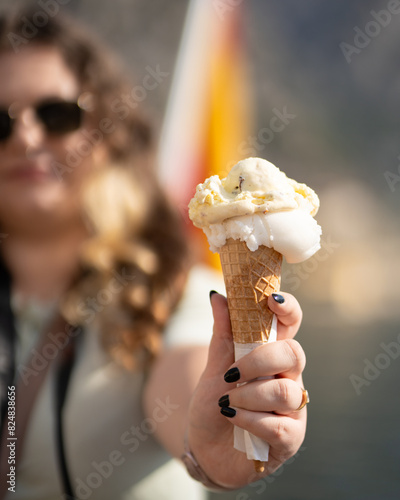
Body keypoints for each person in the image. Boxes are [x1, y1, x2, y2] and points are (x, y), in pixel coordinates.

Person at [0, 5, 308, 499]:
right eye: (1, 122)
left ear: (105, 133)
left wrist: (214, 436)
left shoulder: (170, 288)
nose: (26, 136)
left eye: (55, 114)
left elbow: (189, 369)